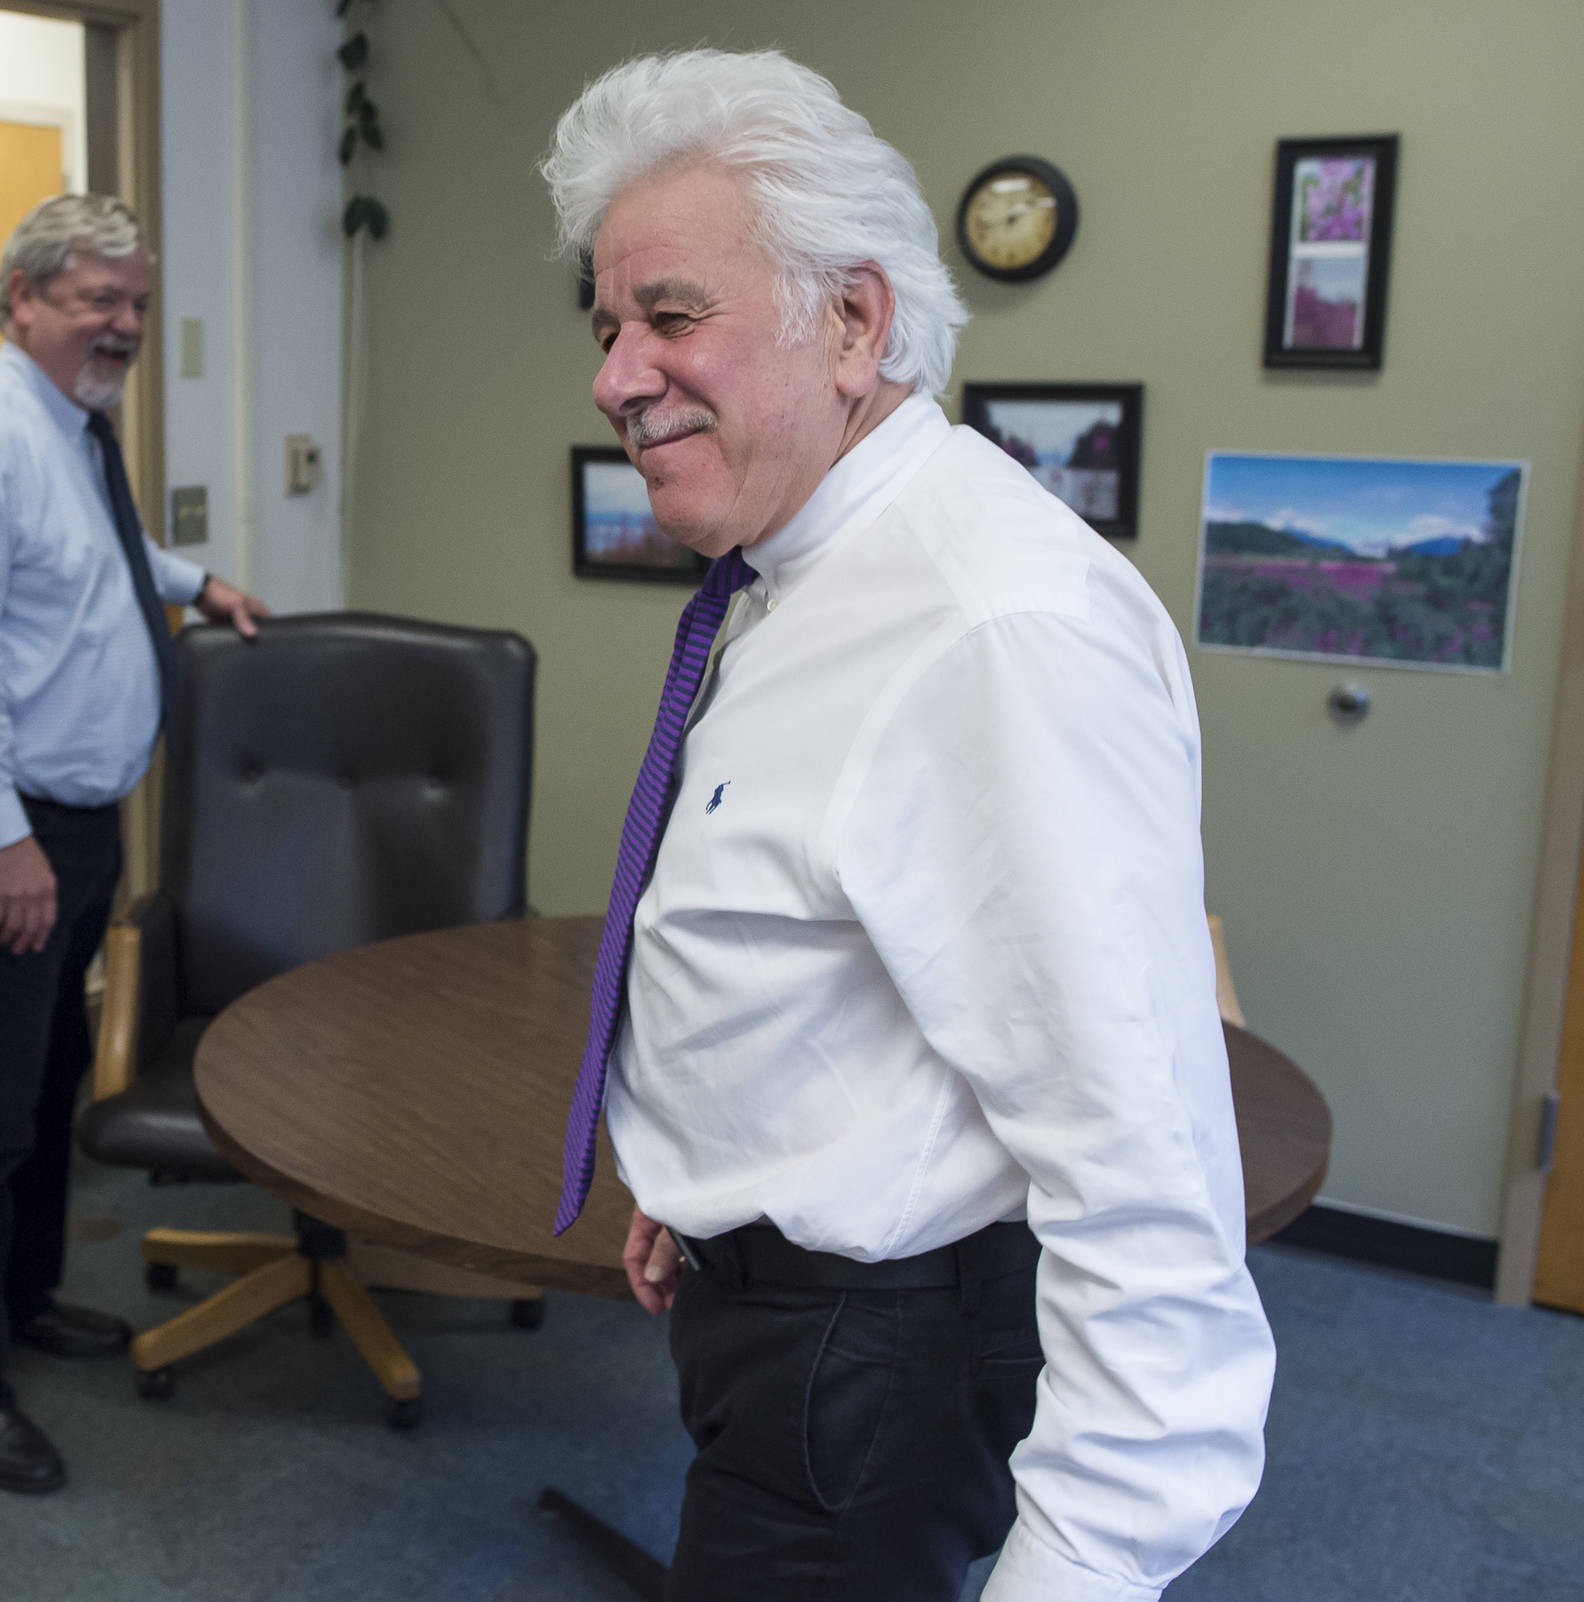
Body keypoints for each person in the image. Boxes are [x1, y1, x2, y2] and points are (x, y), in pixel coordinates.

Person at [546, 51, 1276, 1602]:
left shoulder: (993, 626)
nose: (615, 374)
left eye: (670, 316)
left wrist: (1076, 1570)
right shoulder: (800, 569)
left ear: (855, 324)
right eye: (608, 325)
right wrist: (708, 1168)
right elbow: (827, 929)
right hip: (773, 1304)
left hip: (875, 1362)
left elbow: (1146, 1174)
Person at [0, 193, 268, 1495]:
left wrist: (189, 580)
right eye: (98, 298)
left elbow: (93, 555)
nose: (125, 324)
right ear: (22, 300)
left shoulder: (71, 432)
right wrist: (2, 842)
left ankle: (24, 1300)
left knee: (42, 1089)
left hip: (70, 832)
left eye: (138, 302)